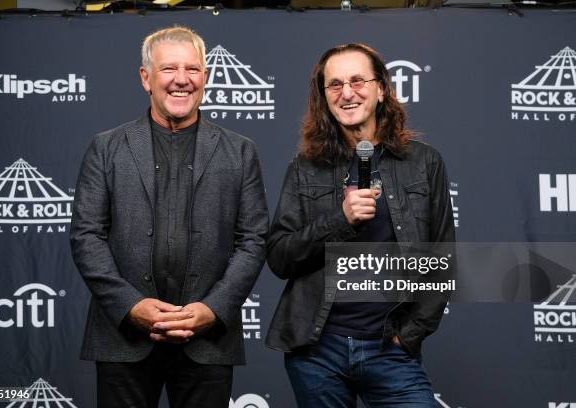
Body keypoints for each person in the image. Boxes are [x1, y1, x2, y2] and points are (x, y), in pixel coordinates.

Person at [70, 26, 268, 408]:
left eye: (193, 70)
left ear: (206, 77)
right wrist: (130, 306)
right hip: (122, 339)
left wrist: (214, 308)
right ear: (146, 78)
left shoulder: (241, 152)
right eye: (169, 69)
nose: (182, 80)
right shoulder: (106, 148)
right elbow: (86, 235)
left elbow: (254, 239)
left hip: (207, 341)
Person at [265, 43, 455, 407]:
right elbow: (280, 256)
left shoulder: (425, 163)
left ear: (381, 88)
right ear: (324, 97)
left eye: (357, 81)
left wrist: (409, 336)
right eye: (334, 85)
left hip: (390, 349)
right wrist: (340, 218)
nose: (346, 93)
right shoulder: (305, 168)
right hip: (318, 352)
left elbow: (442, 259)